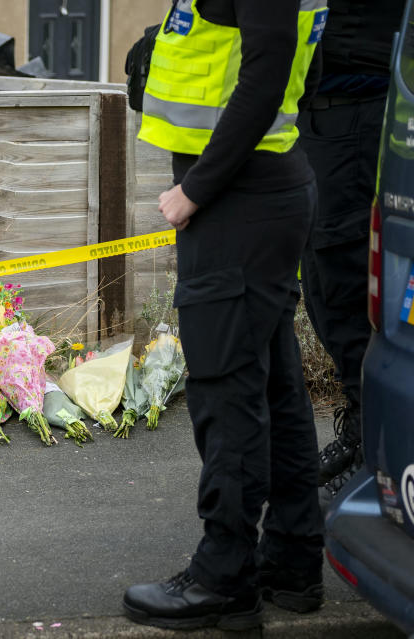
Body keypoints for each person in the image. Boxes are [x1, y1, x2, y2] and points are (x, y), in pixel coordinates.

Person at [121, 0, 326, 630]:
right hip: (263, 185)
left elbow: (268, 73)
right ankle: (291, 561)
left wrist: (197, 188)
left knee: (226, 391)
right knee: (273, 384)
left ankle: (224, 577)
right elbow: (293, 73)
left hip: (239, 198)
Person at [298, 0, 405, 504]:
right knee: (320, 284)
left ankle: (373, 450)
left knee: (345, 285)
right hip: (318, 118)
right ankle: (359, 429)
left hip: (357, 119)